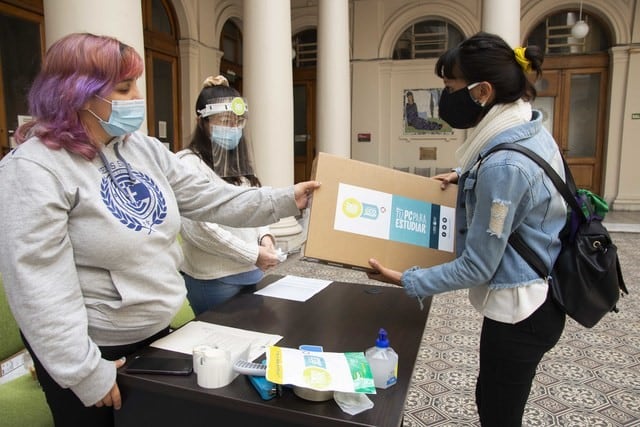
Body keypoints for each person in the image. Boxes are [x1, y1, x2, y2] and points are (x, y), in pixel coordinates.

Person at [0, 33, 319, 427]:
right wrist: (85, 372)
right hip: (94, 350)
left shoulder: (142, 148)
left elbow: (212, 198)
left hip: (157, 334)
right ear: (78, 93)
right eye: (123, 87)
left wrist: (286, 199)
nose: (139, 95)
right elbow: (38, 288)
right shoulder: (33, 169)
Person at [368, 32, 567, 427]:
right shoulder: (530, 129)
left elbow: (477, 266)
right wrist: (465, 175)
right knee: (498, 398)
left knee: (497, 410)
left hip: (522, 313)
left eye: (449, 86)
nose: (445, 95)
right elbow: (520, 180)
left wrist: (407, 280)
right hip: (546, 291)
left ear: (482, 92)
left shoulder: (502, 166)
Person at [177, 75, 279, 315]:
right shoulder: (187, 165)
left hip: (251, 271)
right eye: (224, 121)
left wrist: (265, 237)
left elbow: (254, 203)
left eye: (237, 123)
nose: (233, 129)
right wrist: (252, 254)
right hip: (215, 279)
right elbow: (198, 228)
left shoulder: (236, 164)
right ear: (201, 121)